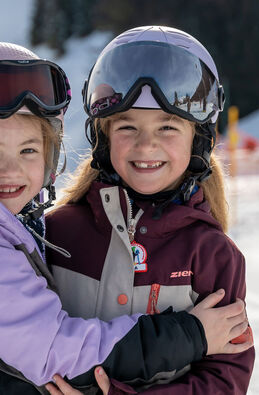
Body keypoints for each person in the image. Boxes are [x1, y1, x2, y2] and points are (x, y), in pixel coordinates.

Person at [0, 41, 250, 395]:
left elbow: (224, 379)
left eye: (29, 150)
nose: (11, 170)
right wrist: (192, 335)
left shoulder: (212, 254)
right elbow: (55, 351)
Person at [45, 26, 255, 394]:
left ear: (198, 139)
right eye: (128, 126)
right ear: (103, 137)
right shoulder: (58, 234)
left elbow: (225, 380)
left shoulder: (212, 254)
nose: (146, 145)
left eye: (167, 127)